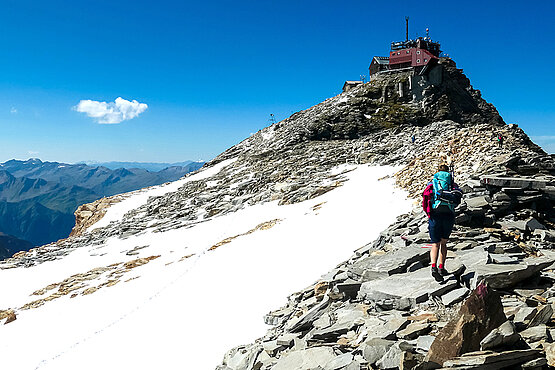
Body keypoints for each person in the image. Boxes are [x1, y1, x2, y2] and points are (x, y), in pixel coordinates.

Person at [422, 164, 462, 282]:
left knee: (435, 244)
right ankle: (441, 268)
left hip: (435, 215)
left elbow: (425, 199)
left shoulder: (432, 183)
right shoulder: (452, 184)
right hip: (448, 215)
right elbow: (458, 198)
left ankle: (433, 267)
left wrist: (429, 213)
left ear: (438, 171)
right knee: (444, 243)